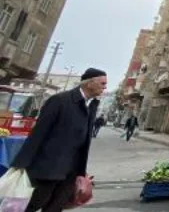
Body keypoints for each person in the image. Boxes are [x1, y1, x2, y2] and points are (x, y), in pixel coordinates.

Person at [13, 68, 107, 212]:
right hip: (48, 168)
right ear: (90, 83)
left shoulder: (91, 106)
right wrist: (21, 163)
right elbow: (39, 133)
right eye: (102, 83)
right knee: (34, 204)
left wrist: (81, 169)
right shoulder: (60, 100)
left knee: (56, 207)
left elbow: (83, 141)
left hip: (71, 170)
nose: (105, 87)